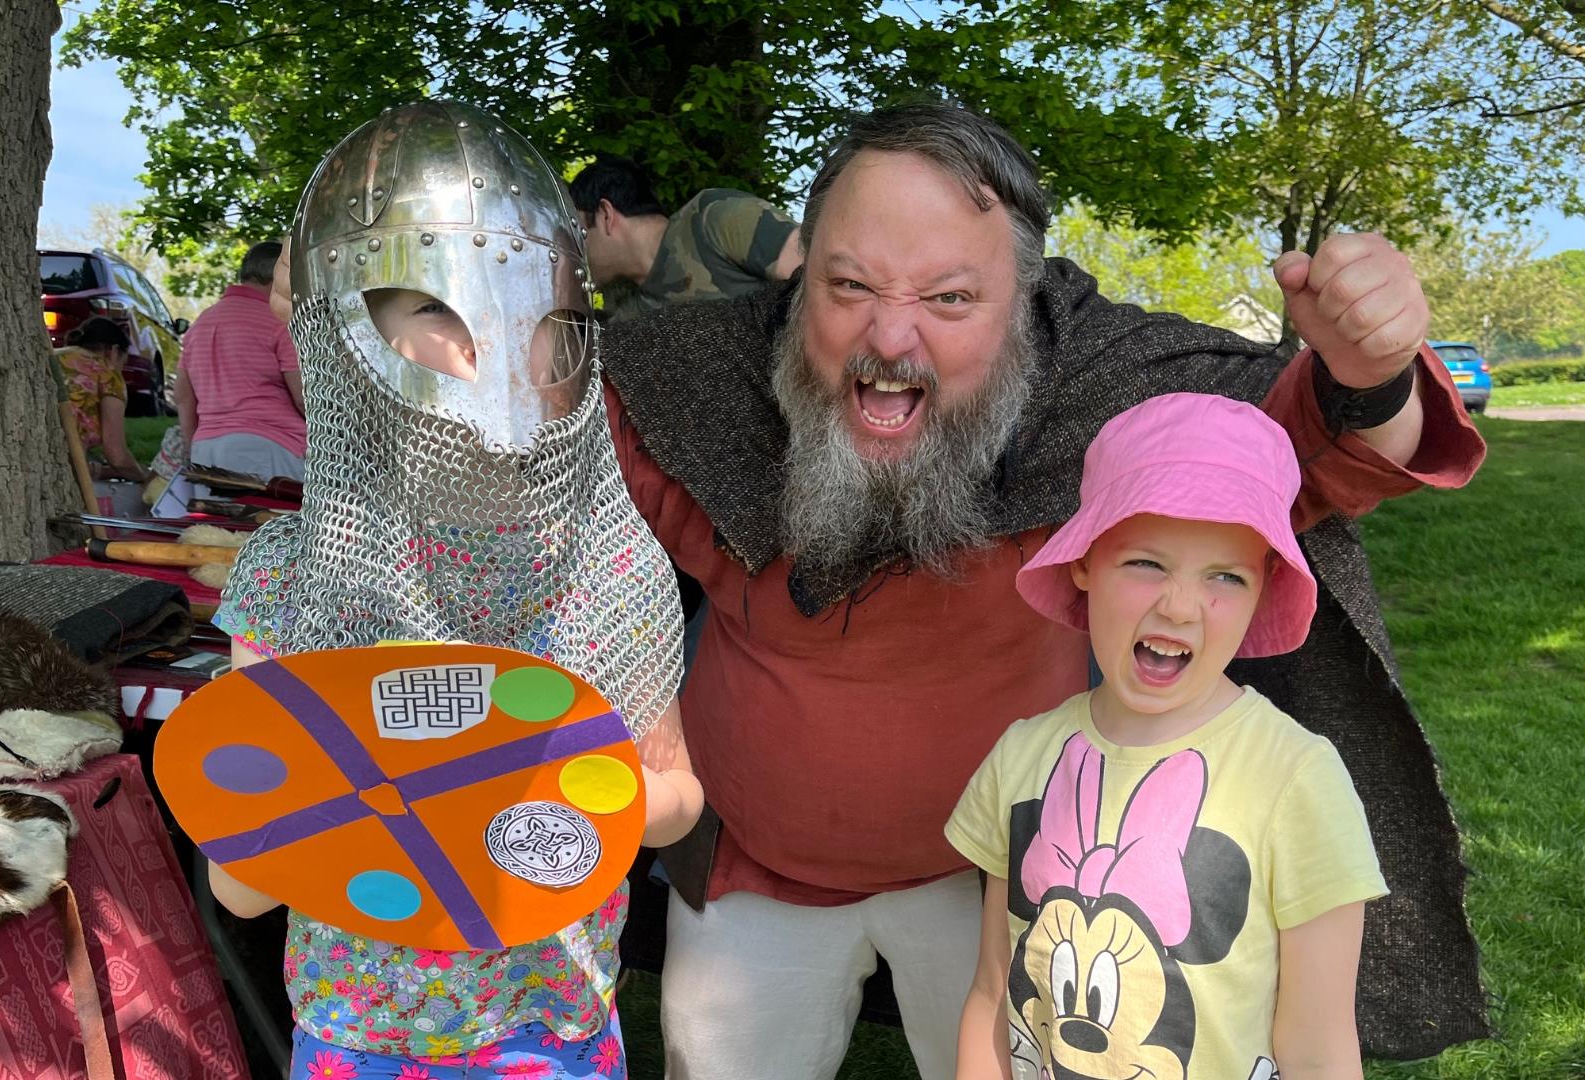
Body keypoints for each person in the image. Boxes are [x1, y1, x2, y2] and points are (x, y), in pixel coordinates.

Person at [276, 103, 1491, 1077]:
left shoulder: (1104, 399)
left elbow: (1290, 460)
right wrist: (383, 328)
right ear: (801, 285)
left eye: (950, 300)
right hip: (751, 876)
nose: (888, 339)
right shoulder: (696, 383)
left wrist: (1368, 375)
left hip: (996, 883)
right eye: (848, 287)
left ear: (1028, 305)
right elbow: (500, 454)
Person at [207, 101, 702, 1079]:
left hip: (546, 1022)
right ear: (342, 336)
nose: (480, 352)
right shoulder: (289, 575)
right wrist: (311, 813)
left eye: (518, 312)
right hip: (363, 1030)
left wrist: (551, 793)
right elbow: (241, 887)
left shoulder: (607, 560)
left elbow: (677, 795)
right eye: (430, 309)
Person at [947, 393, 1386, 1080]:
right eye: (1146, 563)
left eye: (1224, 576)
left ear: (1263, 590)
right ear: (1086, 562)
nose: (1179, 606)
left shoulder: (1296, 777)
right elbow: (993, 990)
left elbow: (1320, 1045)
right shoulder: (1023, 757)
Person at [567, 154, 803, 321]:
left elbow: (821, 278)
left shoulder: (714, 218)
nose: (573, 248)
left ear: (605, 215)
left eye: (578, 232)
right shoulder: (628, 315)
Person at [176, 240, 307, 482]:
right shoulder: (278, 321)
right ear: (280, 276)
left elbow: (184, 397)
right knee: (270, 520)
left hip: (206, 449)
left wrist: (191, 446)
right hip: (270, 447)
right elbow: (302, 397)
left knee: (213, 521)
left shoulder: (201, 323)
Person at [51, 316, 151, 484]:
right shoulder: (107, 374)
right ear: (113, 351)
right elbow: (117, 456)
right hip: (62, 471)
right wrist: (143, 477)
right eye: (123, 364)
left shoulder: (53, 357)